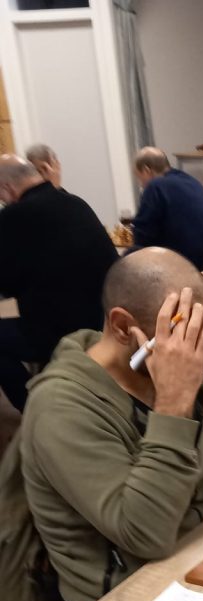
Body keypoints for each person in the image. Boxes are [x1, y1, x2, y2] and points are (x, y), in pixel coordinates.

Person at [20, 247, 203, 601]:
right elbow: (145, 535)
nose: (197, 350)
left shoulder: (173, 363)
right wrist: (173, 404)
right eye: (185, 332)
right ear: (122, 326)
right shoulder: (59, 408)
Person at [0, 154, 117, 412]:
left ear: (8, 188)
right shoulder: (76, 203)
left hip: (60, 330)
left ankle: (36, 409)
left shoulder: (14, 216)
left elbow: (6, 285)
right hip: (105, 321)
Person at [132, 147, 203, 271]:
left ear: (147, 170)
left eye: (139, 177)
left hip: (186, 264)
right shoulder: (190, 180)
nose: (141, 185)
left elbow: (142, 234)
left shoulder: (155, 186)